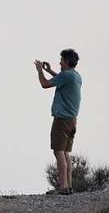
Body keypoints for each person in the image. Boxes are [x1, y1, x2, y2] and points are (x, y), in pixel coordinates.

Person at [34, 49, 82, 195]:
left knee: (58, 152)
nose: (59, 62)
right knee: (66, 153)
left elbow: (45, 84)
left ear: (66, 61)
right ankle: (68, 186)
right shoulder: (75, 76)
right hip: (72, 120)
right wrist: (50, 71)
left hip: (62, 120)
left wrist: (39, 71)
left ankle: (62, 187)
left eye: (61, 60)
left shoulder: (67, 75)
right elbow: (61, 79)